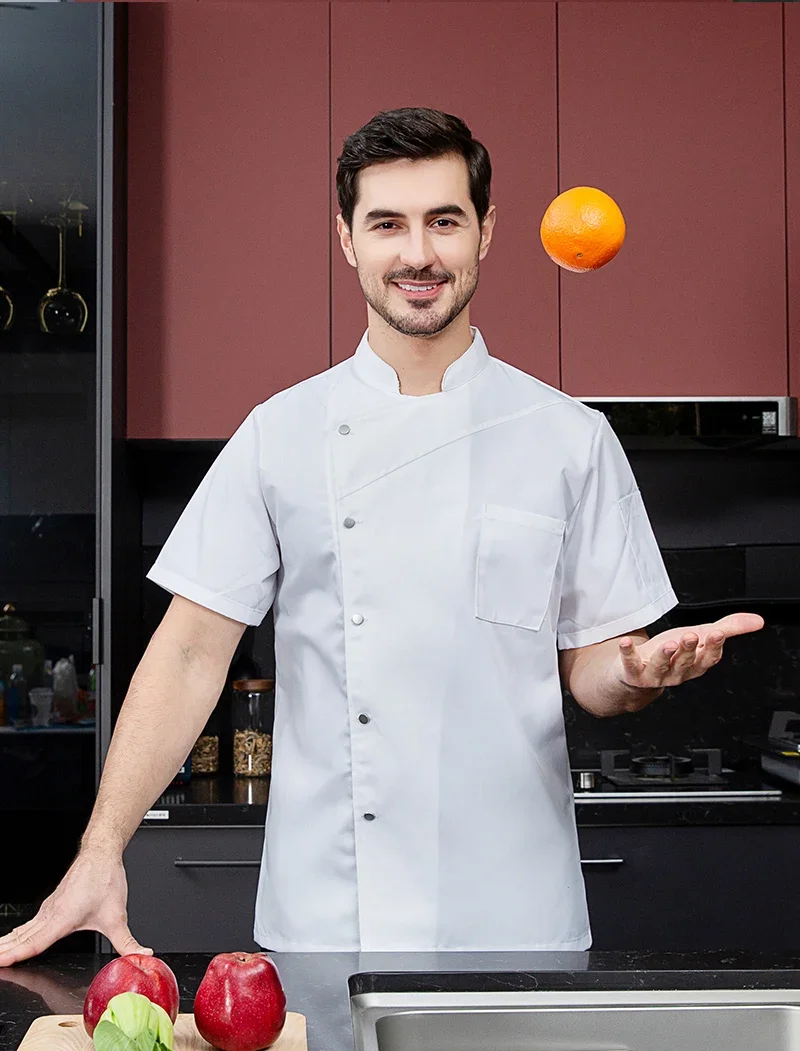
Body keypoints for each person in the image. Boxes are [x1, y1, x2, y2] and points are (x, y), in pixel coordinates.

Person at [0, 107, 763, 964]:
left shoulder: (568, 438)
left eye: (444, 220)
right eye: (387, 224)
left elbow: (591, 669)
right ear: (347, 240)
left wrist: (633, 671)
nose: (418, 254)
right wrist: (100, 851)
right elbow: (186, 655)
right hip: (330, 917)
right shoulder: (279, 433)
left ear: (486, 232)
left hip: (516, 914)